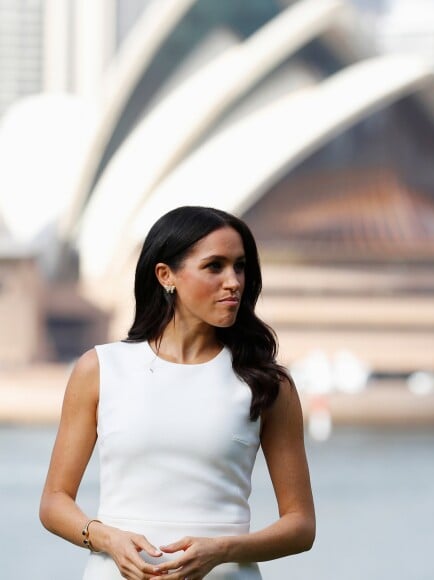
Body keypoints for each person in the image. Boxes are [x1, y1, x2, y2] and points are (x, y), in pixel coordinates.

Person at [40, 206, 315, 579]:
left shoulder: (265, 383)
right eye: (214, 266)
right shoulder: (101, 368)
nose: (234, 281)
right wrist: (107, 539)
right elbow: (54, 502)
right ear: (166, 275)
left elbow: (301, 526)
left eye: (240, 266)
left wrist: (221, 549)